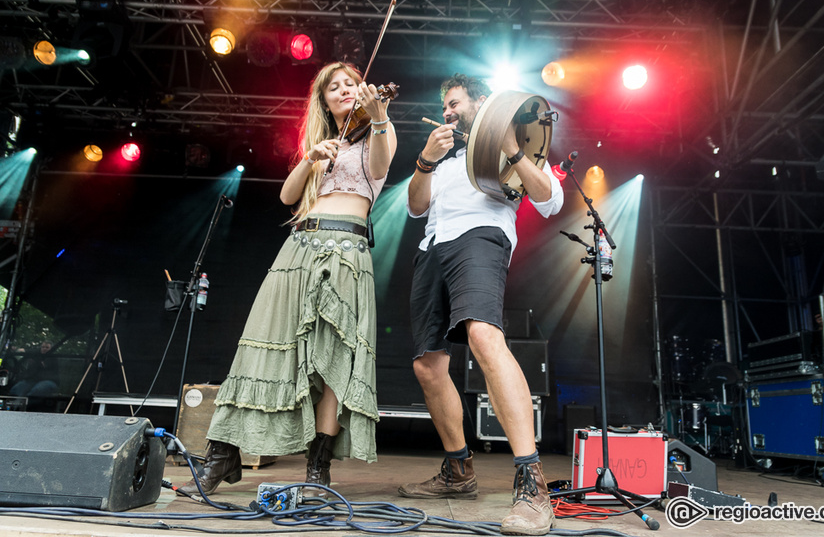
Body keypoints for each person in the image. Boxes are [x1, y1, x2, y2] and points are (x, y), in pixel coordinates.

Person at [180, 62, 397, 498]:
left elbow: (378, 167)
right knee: (263, 347)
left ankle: (318, 467)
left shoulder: (379, 128)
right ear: (324, 100)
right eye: (333, 87)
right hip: (299, 248)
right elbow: (286, 197)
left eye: (350, 84)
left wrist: (378, 115)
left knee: (337, 361)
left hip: (349, 252)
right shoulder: (322, 143)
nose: (343, 91)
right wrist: (309, 158)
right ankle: (222, 456)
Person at [398, 74, 564, 536]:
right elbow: (414, 208)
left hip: (481, 238)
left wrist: (510, 146)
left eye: (454, 103)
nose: (447, 112)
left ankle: (532, 485)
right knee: (428, 365)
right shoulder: (446, 161)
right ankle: (458, 471)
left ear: (481, 103)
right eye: (444, 106)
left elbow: (551, 200)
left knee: (483, 336)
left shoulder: (516, 150)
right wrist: (425, 161)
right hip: (433, 247)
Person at [10, 341, 60, 412]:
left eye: (47, 347)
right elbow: (26, 351)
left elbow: (44, 365)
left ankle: (25, 409)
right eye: (43, 347)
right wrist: (17, 350)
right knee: (17, 389)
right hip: (33, 380)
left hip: (50, 381)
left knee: (36, 391)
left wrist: (35, 361)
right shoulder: (36, 354)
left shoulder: (53, 357)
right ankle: (13, 409)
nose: (44, 349)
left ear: (51, 349)